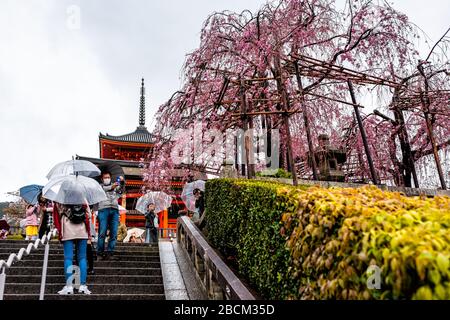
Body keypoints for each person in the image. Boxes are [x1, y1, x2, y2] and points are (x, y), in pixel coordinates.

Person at [52, 202, 91, 295]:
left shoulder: (60, 198)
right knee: (82, 258)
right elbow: (88, 215)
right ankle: (82, 285)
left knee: (68, 258)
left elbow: (56, 216)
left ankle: (69, 286)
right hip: (82, 229)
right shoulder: (82, 197)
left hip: (67, 228)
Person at [97, 171, 124, 260]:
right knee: (102, 232)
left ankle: (110, 252)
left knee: (114, 232)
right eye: (105, 177)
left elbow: (120, 192)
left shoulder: (115, 185)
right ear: (102, 179)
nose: (107, 179)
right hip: (103, 209)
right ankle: (100, 253)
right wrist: (111, 187)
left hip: (114, 209)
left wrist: (122, 183)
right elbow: (105, 189)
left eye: (108, 177)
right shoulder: (99, 186)